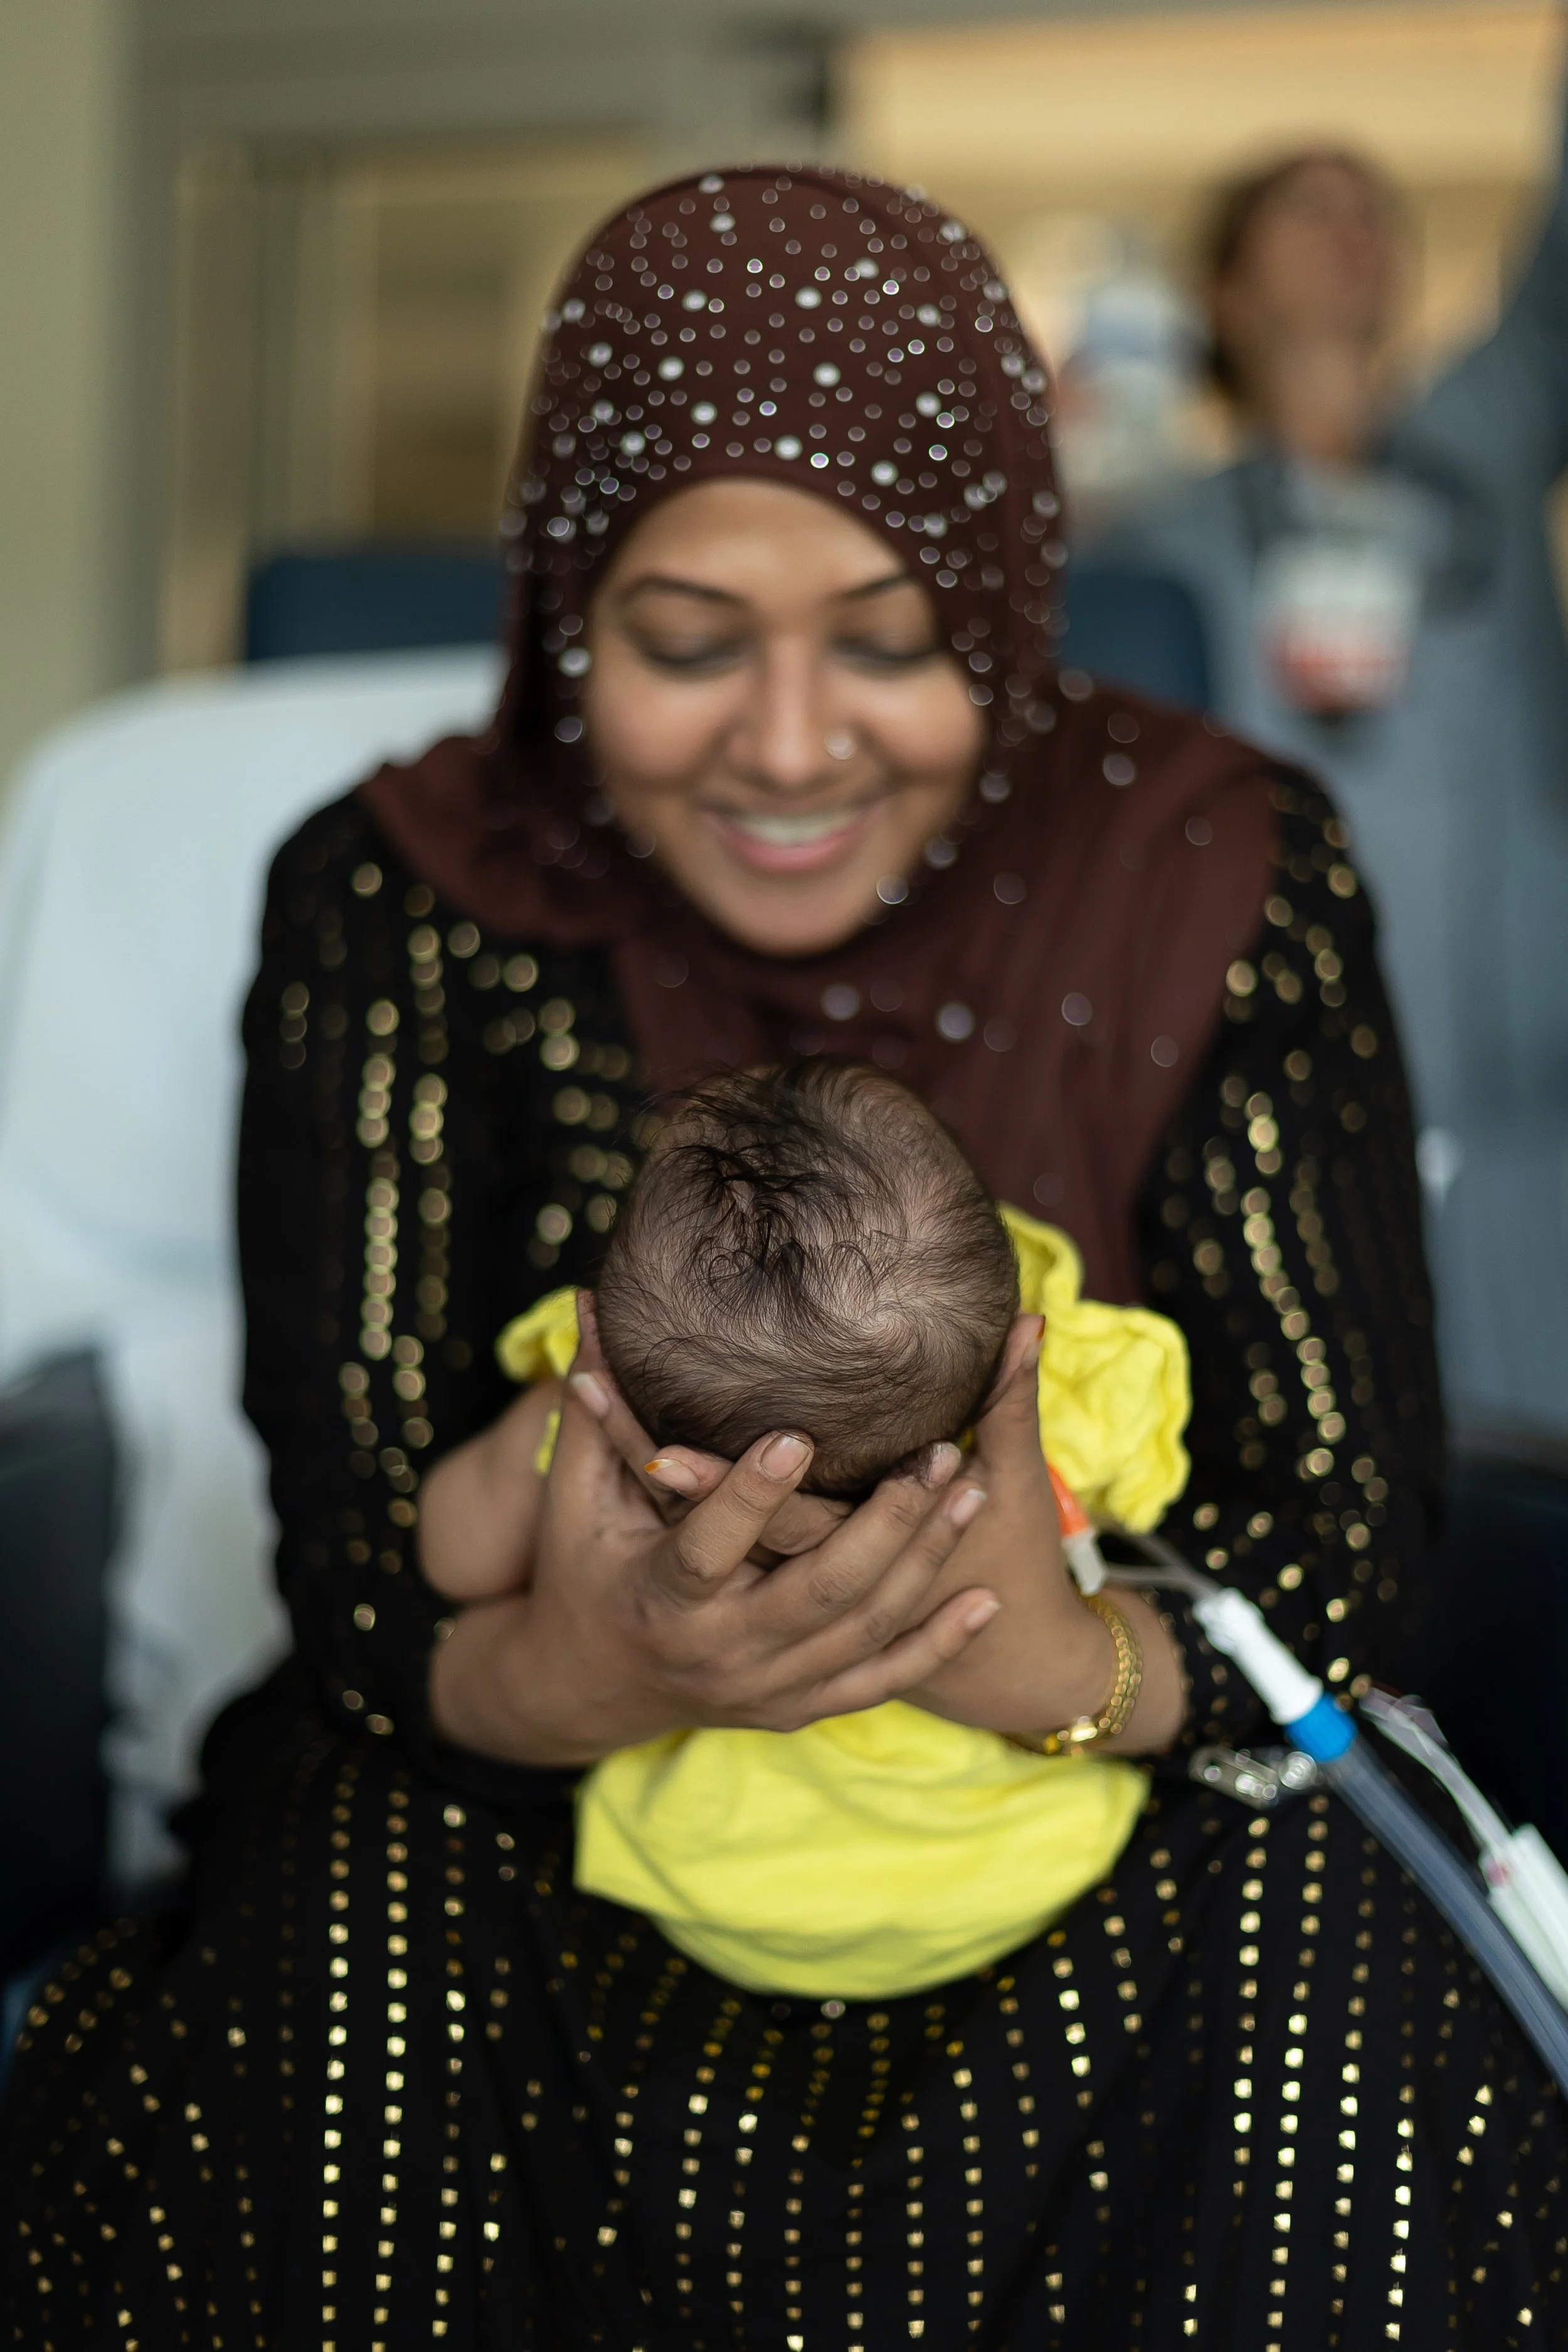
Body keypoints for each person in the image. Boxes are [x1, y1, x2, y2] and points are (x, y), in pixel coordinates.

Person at [5, 164, 1563, 2351]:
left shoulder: (1221, 871)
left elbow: (1338, 1551)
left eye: (894, 643)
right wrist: (588, 1671)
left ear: (1003, 608)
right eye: (684, 644)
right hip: (517, 1790)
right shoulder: (397, 897)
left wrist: (1051, 1668)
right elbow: (362, 1558)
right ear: (569, 612)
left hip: (1098, 1794)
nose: (795, 743)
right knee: (338, 1948)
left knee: (1335, 1997)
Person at [420, 1056, 1187, 2003]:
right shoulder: (1080, 1381)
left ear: (610, 1333)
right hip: (1021, 1875)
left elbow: (451, 1554)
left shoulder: (590, 1413)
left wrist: (559, 1407)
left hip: (711, 1890)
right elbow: (1147, 1516)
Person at [1104, 122, 1568, 1432]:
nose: (1354, 230)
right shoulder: (1156, 547)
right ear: (1224, 292)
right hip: (1300, 1108)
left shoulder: (1475, 453)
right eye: (1309, 209)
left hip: (1534, 1099)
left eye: (1373, 209)